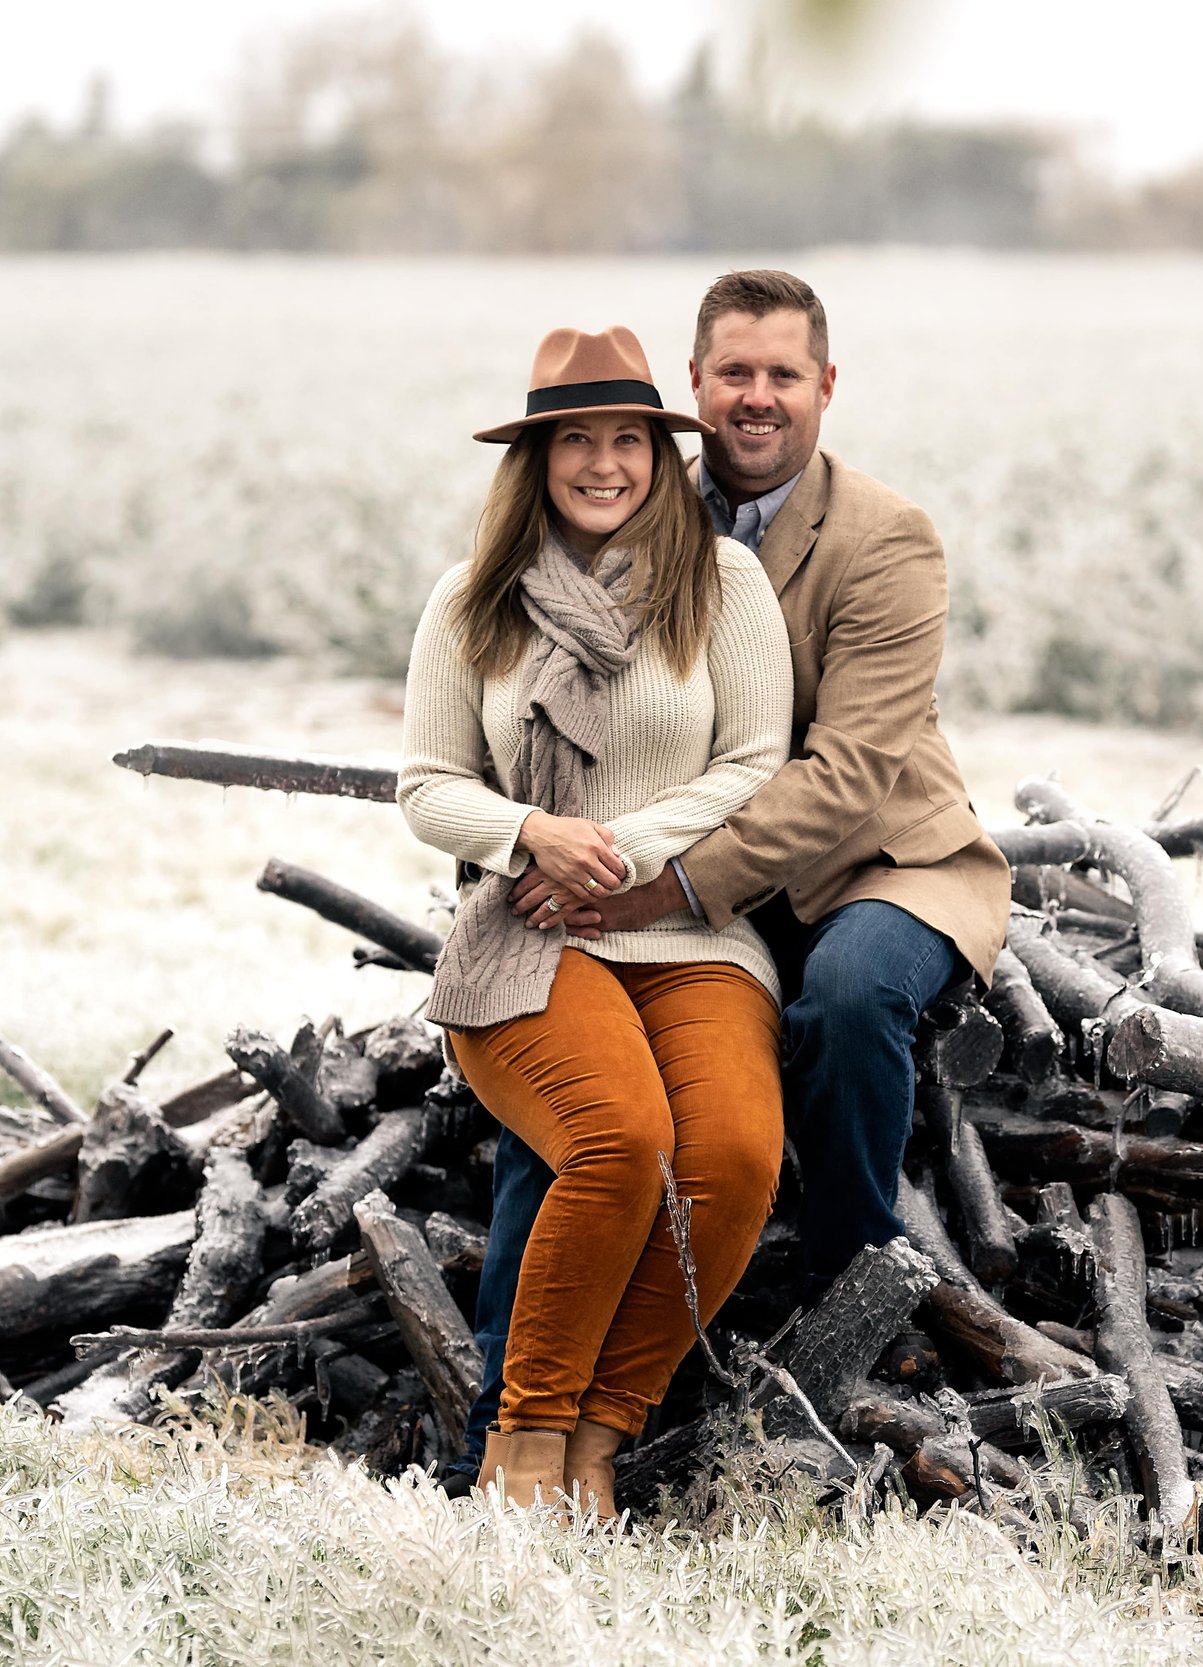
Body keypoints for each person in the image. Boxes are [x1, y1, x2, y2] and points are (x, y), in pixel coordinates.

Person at [457, 270, 1012, 1481]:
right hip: (679, 868)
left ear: (824, 387)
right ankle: (505, 1414)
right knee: (558, 1107)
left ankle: (851, 1298)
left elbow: (847, 768)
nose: (756, 399)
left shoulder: (883, 538)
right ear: (695, 387)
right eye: (732, 374)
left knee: (850, 999)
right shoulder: (639, 503)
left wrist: (666, 885)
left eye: (781, 375)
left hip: (877, 859)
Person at [397, 323, 794, 1518]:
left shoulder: (719, 580)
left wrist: (621, 845)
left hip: (685, 928)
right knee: (619, 1141)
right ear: (537, 458)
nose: (606, 464)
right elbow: (426, 783)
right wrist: (531, 833)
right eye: (578, 440)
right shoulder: (473, 602)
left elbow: (753, 758)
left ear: (658, 451)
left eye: (628, 438)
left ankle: (605, 1425)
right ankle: (526, 1439)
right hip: (532, 931)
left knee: (730, 1155)